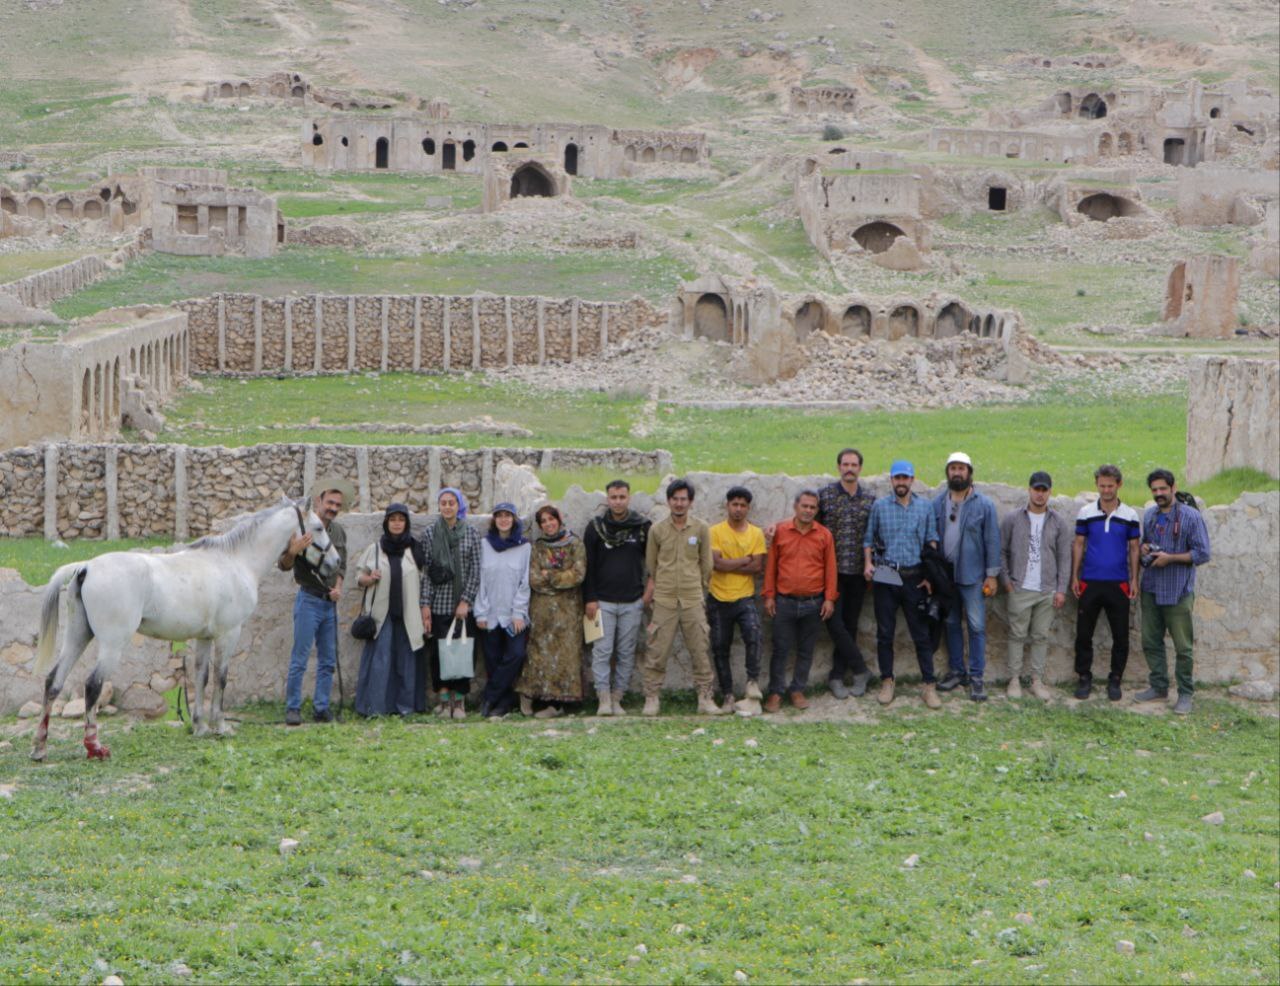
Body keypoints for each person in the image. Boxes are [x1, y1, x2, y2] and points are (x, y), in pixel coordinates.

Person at [863, 460, 941, 710]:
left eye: (905, 478)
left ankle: (929, 685)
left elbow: (931, 542)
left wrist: (930, 575)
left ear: (912, 480)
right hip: (886, 573)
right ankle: (887, 680)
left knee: (921, 634)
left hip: (915, 575)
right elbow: (868, 539)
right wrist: (868, 564)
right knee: (885, 632)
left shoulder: (925, 507)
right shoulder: (880, 506)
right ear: (891, 480)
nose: (901, 482)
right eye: (897, 478)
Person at [1135, 469, 1211, 715]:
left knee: (1183, 647)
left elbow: (1202, 553)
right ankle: (1158, 687)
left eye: (1162, 489)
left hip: (1178, 591)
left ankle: (1185, 694)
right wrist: (1146, 549)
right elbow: (1146, 549)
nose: (1158, 494)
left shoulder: (1190, 517)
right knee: (1150, 641)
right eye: (1154, 490)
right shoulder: (1150, 516)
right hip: (1151, 589)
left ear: (1173, 488)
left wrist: (1171, 559)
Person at [641, 478, 719, 716]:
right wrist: (661, 586)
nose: (679, 503)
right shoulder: (657, 530)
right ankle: (652, 697)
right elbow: (652, 564)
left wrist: (697, 586)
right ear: (668, 501)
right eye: (675, 499)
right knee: (657, 650)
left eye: (683, 499)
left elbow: (707, 563)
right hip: (664, 599)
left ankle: (705, 697)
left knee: (699, 648)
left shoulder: (700, 528)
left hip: (692, 598)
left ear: (690, 502)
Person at [279, 477, 351, 725]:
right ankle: (293, 708)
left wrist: (338, 588)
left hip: (329, 603)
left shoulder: (339, 531)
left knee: (328, 660)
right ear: (319, 500)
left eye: (337, 504)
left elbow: (341, 565)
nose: (332, 507)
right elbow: (284, 565)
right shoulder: (302, 527)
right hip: (308, 599)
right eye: (329, 502)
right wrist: (293, 550)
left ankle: (321, 708)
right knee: (300, 657)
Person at [933, 452, 1001, 702]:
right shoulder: (938, 503)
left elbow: (992, 540)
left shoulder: (984, 505)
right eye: (953, 468)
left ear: (970, 473)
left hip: (973, 577)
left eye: (962, 468)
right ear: (947, 473)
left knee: (976, 627)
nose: (957, 473)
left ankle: (976, 677)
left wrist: (992, 576)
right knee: (951, 624)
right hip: (946, 577)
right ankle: (956, 672)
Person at [761, 489, 837, 712]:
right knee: (780, 649)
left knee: (806, 649)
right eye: (805, 506)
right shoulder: (781, 531)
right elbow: (771, 566)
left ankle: (797, 690)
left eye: (813, 507)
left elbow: (831, 569)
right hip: (784, 602)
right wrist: (769, 595)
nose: (808, 510)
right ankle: (775, 692)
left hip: (813, 603)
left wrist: (829, 599)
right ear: (796, 506)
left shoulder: (824, 535)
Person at [999, 471, 1073, 701]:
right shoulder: (1013, 518)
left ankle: (1036, 680)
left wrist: (1061, 589)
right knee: (1017, 634)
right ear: (1029, 490)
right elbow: (1001, 551)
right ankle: (1013, 679)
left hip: (1046, 589)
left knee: (1040, 636)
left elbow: (1064, 558)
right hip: (1020, 587)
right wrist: (1007, 582)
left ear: (1049, 492)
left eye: (1044, 490)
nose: (1040, 495)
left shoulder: (1058, 523)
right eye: (1036, 489)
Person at [1072, 464, 1141, 701]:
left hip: (1119, 583)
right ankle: (1084, 677)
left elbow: (1134, 549)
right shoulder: (1085, 512)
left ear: (1119, 485)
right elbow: (1079, 544)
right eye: (1102, 485)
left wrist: (1134, 579)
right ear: (1097, 485)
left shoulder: (1130, 515)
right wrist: (1074, 576)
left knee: (1120, 635)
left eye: (1110, 485)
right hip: (1090, 581)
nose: (1106, 490)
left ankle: (1115, 678)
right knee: (1083, 634)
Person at [352, 503, 429, 717]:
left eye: (401, 519)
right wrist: (369, 578)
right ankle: (375, 707)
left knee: (406, 661)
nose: (397, 523)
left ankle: (405, 707)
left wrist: (425, 610)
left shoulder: (414, 550)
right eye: (393, 519)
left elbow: (424, 581)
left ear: (406, 523)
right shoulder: (375, 549)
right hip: (381, 615)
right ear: (386, 523)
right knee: (381, 661)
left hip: (409, 615)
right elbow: (359, 578)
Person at [583, 480, 651, 716]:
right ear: (607, 499)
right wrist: (589, 599)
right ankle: (603, 699)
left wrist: (646, 597)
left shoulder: (642, 527)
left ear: (629, 498)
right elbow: (587, 566)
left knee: (625, 652)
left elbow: (654, 563)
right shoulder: (595, 528)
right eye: (614, 497)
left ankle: (617, 698)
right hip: (602, 602)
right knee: (602, 652)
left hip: (632, 602)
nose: (618, 501)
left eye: (622, 497)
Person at [516, 505, 587, 719]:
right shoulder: (537, 547)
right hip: (542, 610)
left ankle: (557, 704)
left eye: (551, 519)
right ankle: (533, 697)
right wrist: (559, 578)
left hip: (568, 611)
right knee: (540, 653)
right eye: (543, 521)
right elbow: (534, 579)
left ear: (559, 519)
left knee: (563, 655)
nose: (548, 524)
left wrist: (551, 576)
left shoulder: (575, 544)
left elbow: (578, 574)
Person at [816, 449, 876, 699]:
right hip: (831, 572)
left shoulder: (870, 500)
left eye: (854, 464)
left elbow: (873, 537)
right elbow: (810, 526)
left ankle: (837, 676)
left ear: (860, 468)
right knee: (833, 622)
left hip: (858, 574)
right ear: (838, 467)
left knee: (850, 625)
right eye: (845, 464)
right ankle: (861, 669)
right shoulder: (826, 496)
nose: (849, 468)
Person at [419, 487, 481, 719]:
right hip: (439, 606)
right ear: (439, 506)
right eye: (443, 503)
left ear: (459, 505)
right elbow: (425, 573)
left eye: (451, 502)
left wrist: (466, 601)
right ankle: (444, 701)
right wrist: (425, 605)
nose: (447, 507)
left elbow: (475, 571)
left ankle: (459, 702)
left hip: (463, 608)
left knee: (463, 653)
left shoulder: (471, 534)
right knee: (439, 655)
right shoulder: (430, 534)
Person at [707, 486, 767, 711]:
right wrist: (744, 560)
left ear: (748, 508)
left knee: (754, 635)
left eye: (743, 505)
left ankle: (752, 682)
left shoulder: (756, 533)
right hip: (718, 597)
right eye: (735, 504)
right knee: (720, 647)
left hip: (744, 597)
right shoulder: (715, 531)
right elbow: (716, 564)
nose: (738, 509)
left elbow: (758, 566)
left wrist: (729, 564)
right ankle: (728, 696)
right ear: (727, 505)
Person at [474, 503, 532, 719]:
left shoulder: (524, 547)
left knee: (516, 654)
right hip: (490, 615)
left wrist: (519, 613)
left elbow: (525, 582)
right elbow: (480, 581)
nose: (504, 520)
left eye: (508, 516)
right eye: (500, 516)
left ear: (514, 519)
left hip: (513, 616)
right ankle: (503, 704)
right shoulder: (485, 545)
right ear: (494, 520)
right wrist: (480, 612)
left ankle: (489, 697)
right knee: (493, 660)